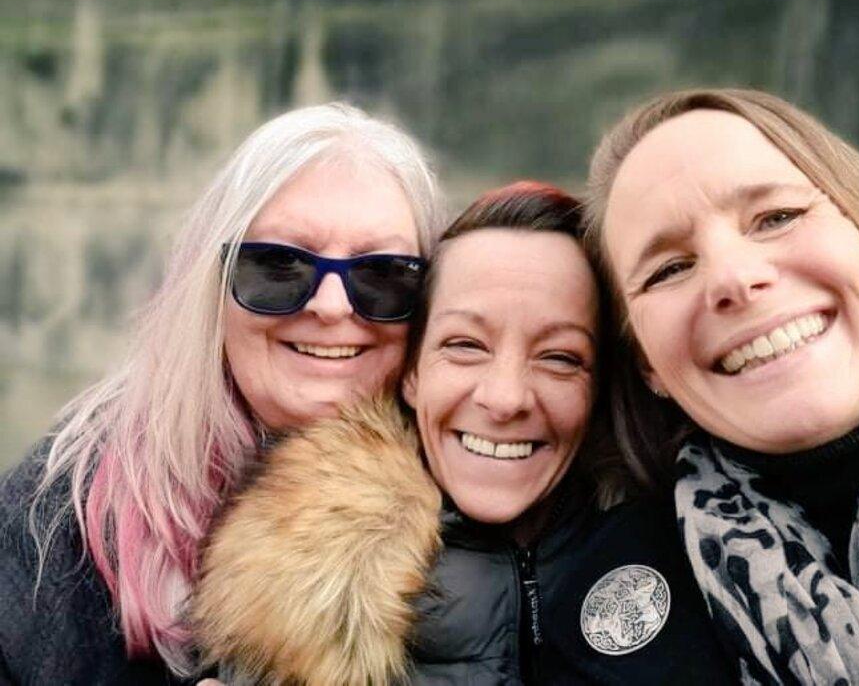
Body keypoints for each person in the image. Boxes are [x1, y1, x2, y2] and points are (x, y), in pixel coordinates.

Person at [191, 182, 736, 685]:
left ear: (602, 386)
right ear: (411, 372)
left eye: (560, 357)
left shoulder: (699, 542)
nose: (504, 399)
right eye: (465, 346)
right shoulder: (297, 586)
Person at [0, 103, 444, 684]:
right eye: (278, 265)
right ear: (212, 284)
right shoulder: (67, 508)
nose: (331, 307)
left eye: (384, 274)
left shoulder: (488, 483)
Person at [583, 87, 859, 683]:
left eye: (777, 217)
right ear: (647, 366)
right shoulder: (604, 622)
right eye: (669, 269)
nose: (735, 279)